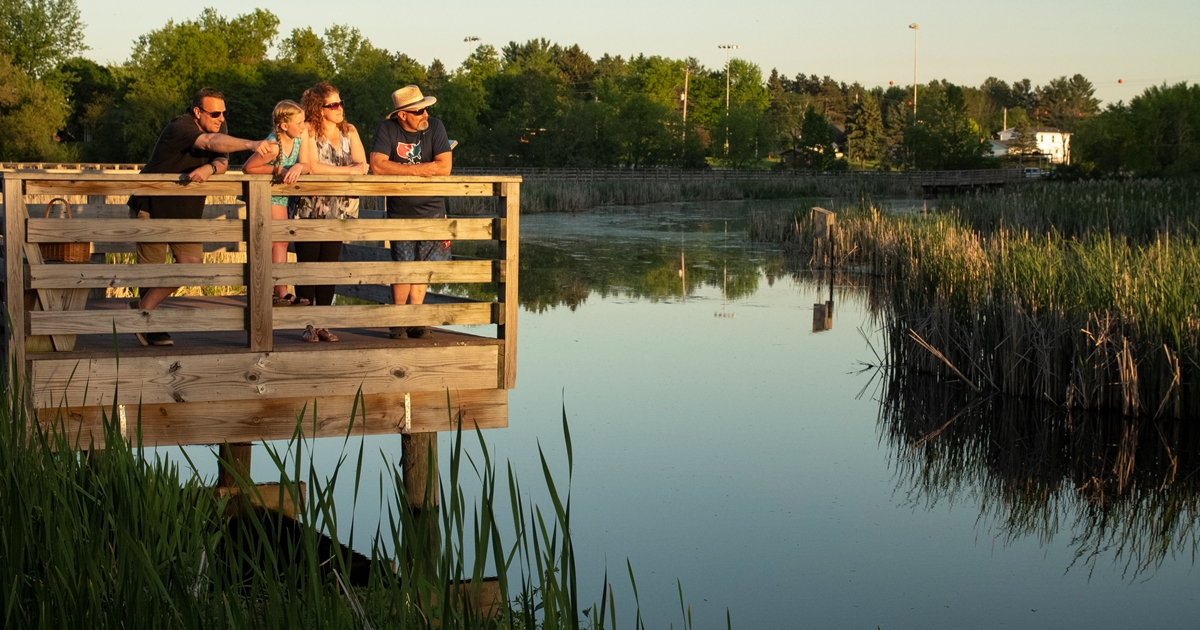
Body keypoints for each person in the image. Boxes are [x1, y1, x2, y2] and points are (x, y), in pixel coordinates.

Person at [129, 87, 273, 346]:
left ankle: (142, 307)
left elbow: (222, 159)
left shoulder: (220, 125)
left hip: (185, 210)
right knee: (151, 270)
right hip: (152, 204)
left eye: (223, 113)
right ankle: (148, 324)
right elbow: (208, 143)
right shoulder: (180, 126)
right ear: (197, 112)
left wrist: (211, 166)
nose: (220, 118)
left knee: (192, 264)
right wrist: (252, 144)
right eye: (215, 113)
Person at [368, 85, 452, 340]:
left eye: (426, 109)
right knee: (402, 265)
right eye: (419, 111)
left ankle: (415, 319)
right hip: (400, 209)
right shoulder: (387, 129)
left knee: (423, 265)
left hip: (433, 208)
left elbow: (445, 166)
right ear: (402, 114)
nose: (425, 114)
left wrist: (402, 169)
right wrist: (421, 170)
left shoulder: (435, 127)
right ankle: (398, 320)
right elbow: (377, 166)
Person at [294, 82, 369, 342]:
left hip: (340, 208)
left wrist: (353, 169)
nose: (339, 108)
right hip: (312, 207)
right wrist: (348, 171)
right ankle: (307, 324)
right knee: (308, 266)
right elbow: (312, 166)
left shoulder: (350, 131)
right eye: (333, 105)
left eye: (340, 103)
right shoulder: (309, 130)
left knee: (329, 267)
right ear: (319, 107)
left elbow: (363, 164)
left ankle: (323, 323)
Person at [241, 100, 311, 306]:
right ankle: (270, 290)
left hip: (281, 195)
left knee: (281, 241)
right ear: (283, 126)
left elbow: (306, 163)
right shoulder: (272, 147)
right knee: (272, 242)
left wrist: (299, 166)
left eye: (303, 121)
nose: (303, 126)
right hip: (266, 194)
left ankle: (280, 289)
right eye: (299, 122)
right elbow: (248, 168)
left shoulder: (299, 137)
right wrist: (276, 170)